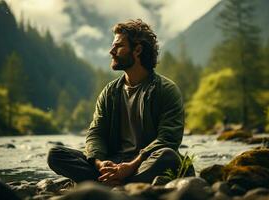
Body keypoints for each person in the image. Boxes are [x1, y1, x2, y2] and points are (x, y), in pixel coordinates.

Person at [47, 19, 194, 186]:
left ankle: (108, 182)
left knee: (168, 156)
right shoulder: (109, 92)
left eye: (118, 46)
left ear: (137, 50)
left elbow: (168, 139)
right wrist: (100, 163)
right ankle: (119, 181)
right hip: (114, 161)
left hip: (144, 162)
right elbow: (96, 133)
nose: (111, 51)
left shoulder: (166, 90)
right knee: (56, 154)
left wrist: (131, 166)